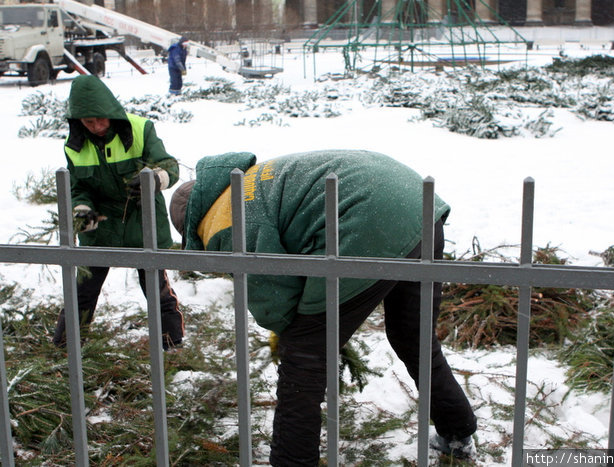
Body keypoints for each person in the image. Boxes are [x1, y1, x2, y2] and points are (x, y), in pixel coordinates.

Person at [169, 149, 478, 464]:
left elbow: (274, 296)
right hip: (417, 203)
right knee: (413, 335)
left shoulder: (222, 221)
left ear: (190, 226)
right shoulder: (247, 182)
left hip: (366, 219)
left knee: (304, 358)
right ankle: (457, 431)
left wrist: (288, 333)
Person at [52, 75, 184, 351]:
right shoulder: (74, 146)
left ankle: (171, 345)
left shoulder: (140, 129)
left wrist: (153, 179)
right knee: (82, 292)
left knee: (157, 292)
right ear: (78, 121)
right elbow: (77, 187)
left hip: (142, 223)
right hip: (101, 227)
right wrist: (82, 209)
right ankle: (66, 347)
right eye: (89, 122)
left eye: (101, 119)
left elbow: (169, 166)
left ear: (111, 112)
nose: (97, 127)